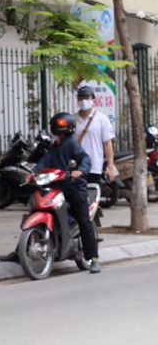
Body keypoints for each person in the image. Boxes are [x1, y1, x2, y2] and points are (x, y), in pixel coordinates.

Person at [29, 112, 100, 273]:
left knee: (83, 221)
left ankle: (93, 258)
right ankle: (20, 251)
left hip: (75, 189)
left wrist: (79, 171)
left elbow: (85, 159)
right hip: (57, 188)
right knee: (34, 209)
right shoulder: (54, 147)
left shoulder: (72, 145)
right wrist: (34, 172)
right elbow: (44, 162)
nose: (59, 131)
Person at [75, 85, 116, 187]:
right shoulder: (72, 119)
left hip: (94, 166)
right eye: (81, 97)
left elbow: (108, 144)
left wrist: (110, 167)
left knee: (92, 197)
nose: (83, 100)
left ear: (93, 99)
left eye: (86, 97)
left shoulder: (102, 119)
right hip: (76, 167)